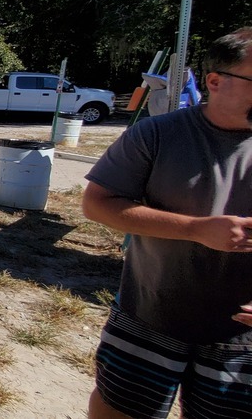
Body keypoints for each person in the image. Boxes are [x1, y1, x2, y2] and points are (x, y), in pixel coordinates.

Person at [82, 27, 252, 419]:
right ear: (215, 81)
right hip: (150, 314)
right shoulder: (157, 135)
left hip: (242, 337)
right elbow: (97, 204)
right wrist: (194, 229)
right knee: (120, 409)